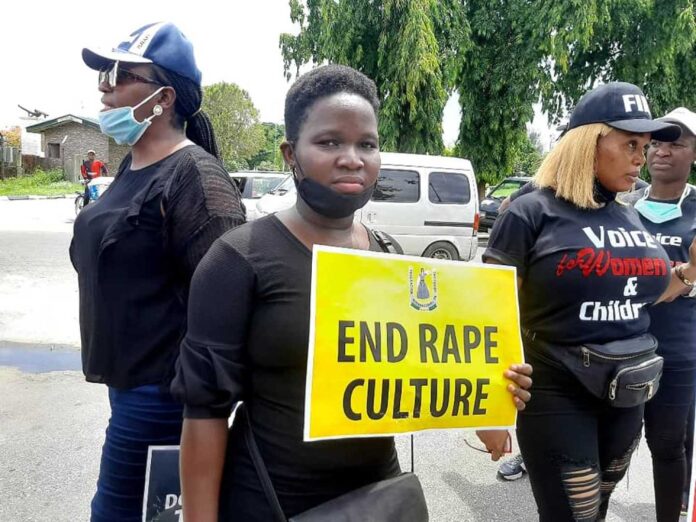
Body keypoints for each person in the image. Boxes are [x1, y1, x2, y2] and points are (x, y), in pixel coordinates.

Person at [171, 64, 533, 521]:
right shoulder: (237, 260)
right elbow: (204, 414)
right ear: (290, 153)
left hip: (377, 501)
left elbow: (425, 367)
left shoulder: (388, 255)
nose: (352, 157)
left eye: (368, 144)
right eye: (329, 142)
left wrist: (488, 395)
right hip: (272, 502)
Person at [483, 82, 696, 521]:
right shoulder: (530, 211)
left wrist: (689, 273)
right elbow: (486, 311)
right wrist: (486, 406)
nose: (642, 156)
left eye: (645, 145)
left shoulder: (628, 214)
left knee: (595, 512)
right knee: (573, 515)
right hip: (556, 388)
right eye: (630, 143)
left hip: (627, 392)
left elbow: (651, 290)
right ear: (588, 142)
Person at [69, 22, 245, 522]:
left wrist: (200, 413)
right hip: (126, 389)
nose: (104, 85)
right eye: (104, 72)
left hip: (162, 403)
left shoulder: (195, 178)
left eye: (120, 73)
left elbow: (229, 312)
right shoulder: (132, 167)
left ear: (163, 97)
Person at [621, 107, 696, 522]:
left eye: (677, 144)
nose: (662, 152)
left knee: (667, 444)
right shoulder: (624, 205)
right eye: (657, 143)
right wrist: (678, 278)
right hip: (623, 342)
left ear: (694, 153)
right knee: (615, 441)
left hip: (678, 348)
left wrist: (685, 281)